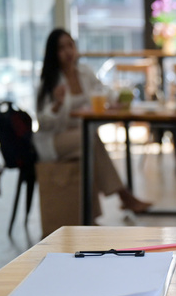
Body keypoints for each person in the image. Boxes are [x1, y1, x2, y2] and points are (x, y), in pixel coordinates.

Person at [34, 28, 151, 215]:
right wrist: (56, 104)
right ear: (53, 53)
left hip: (80, 136)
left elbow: (102, 91)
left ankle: (94, 213)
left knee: (90, 143)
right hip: (54, 140)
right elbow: (43, 121)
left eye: (70, 45)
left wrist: (118, 98)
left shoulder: (84, 72)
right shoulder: (49, 82)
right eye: (61, 48)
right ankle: (124, 196)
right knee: (90, 139)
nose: (67, 52)